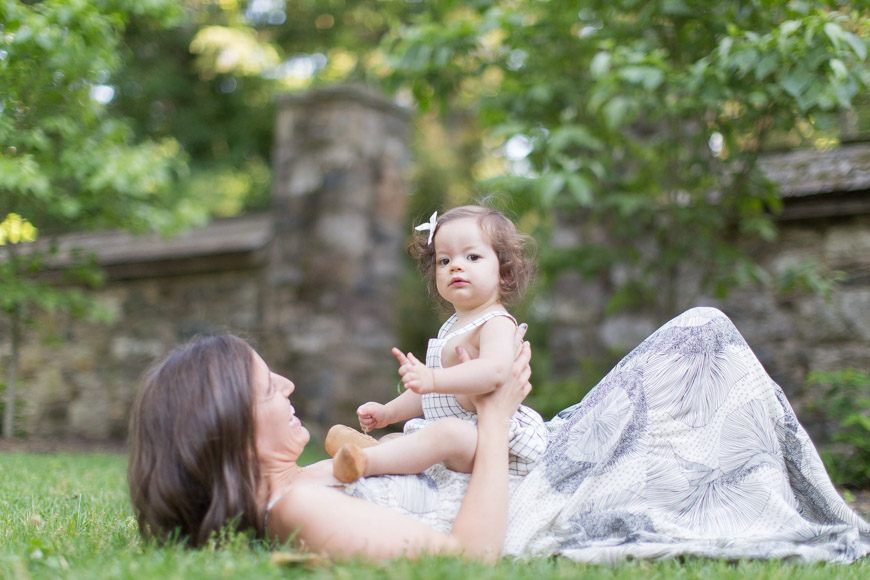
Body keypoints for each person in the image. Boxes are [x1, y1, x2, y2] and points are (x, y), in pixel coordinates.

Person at [128, 307, 870, 563]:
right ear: (225, 428)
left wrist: (477, 406)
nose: (288, 387)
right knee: (698, 340)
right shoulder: (295, 509)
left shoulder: (299, 485)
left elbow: (427, 457)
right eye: (267, 388)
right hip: (538, 504)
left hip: (526, 471)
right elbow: (470, 556)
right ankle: (815, 507)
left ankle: (799, 495)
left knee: (696, 348)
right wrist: (492, 413)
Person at [331, 206, 548, 483]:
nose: (456, 265)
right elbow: (430, 393)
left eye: (472, 256)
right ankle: (365, 458)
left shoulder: (496, 322)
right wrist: (388, 412)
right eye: (444, 261)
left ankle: (367, 462)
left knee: (445, 434)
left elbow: (495, 371)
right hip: (450, 440)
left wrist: (433, 378)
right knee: (396, 438)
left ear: (504, 272)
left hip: (485, 438)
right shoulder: (452, 327)